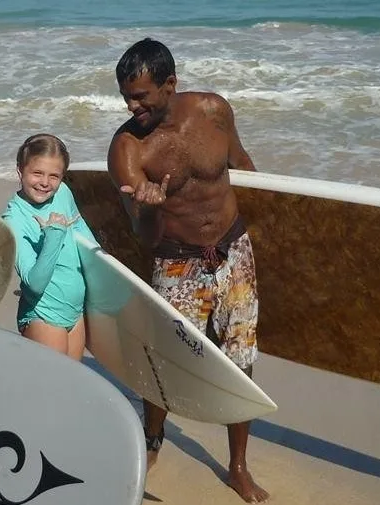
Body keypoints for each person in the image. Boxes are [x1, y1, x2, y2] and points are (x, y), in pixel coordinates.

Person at [107, 38, 268, 503]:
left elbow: (244, 167)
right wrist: (152, 208)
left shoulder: (214, 112)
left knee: (241, 360)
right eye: (126, 97)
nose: (132, 106)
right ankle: (152, 437)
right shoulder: (128, 150)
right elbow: (145, 236)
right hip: (176, 262)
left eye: (141, 96)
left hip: (234, 252)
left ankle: (237, 465)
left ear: (170, 84)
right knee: (165, 361)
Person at [2, 134, 98, 361]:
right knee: (49, 391)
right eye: (37, 173)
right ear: (20, 171)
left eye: (54, 176)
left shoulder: (62, 192)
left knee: (71, 387)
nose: (45, 183)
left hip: (75, 311)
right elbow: (34, 284)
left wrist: (102, 262)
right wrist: (54, 235)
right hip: (43, 315)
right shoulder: (13, 220)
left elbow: (80, 229)